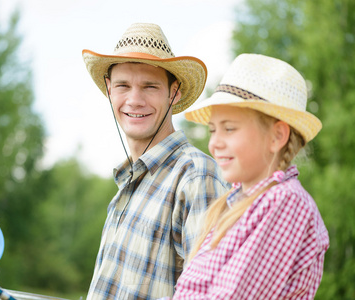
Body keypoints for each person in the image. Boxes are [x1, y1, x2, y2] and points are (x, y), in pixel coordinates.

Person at [82, 23, 229, 299]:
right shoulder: (128, 183)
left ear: (174, 93)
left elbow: (211, 293)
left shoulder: (196, 176)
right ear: (109, 90)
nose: (134, 100)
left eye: (149, 86)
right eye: (123, 85)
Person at [166, 53, 329, 299]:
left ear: (276, 137)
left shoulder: (286, 202)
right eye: (212, 130)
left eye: (229, 129)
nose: (214, 144)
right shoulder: (234, 203)